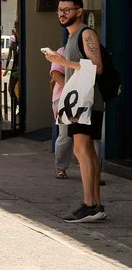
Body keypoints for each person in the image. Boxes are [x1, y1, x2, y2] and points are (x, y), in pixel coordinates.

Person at [44, 0, 106, 223]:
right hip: (78, 101)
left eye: (67, 10)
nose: (62, 14)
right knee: (86, 151)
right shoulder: (72, 37)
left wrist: (60, 61)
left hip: (87, 101)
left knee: (82, 151)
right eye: (60, 10)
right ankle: (94, 204)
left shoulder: (85, 34)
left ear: (79, 11)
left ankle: (90, 205)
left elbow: (96, 67)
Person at [49, 46, 73, 179]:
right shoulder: (62, 51)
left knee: (90, 138)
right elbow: (56, 74)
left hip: (86, 98)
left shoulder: (88, 51)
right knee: (65, 135)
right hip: (63, 97)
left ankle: (93, 171)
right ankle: (60, 167)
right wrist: (71, 92)